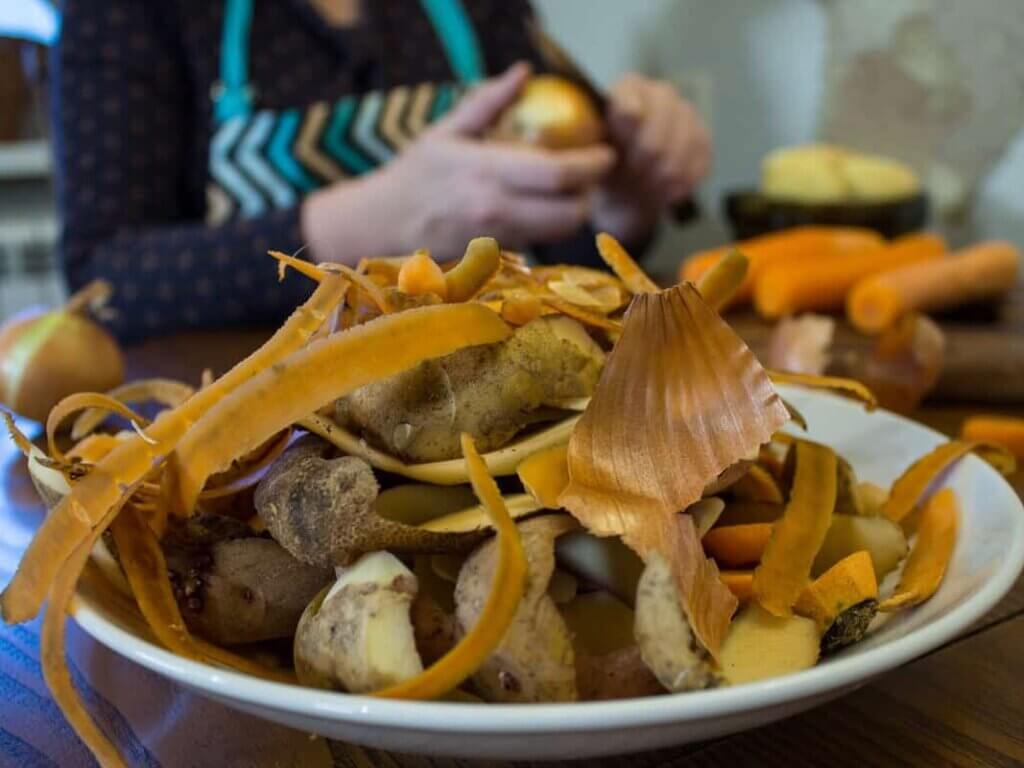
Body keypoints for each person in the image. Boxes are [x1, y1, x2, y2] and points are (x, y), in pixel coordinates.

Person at [53, 0, 711, 340]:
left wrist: (619, 205)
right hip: (256, 442)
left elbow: (548, 250)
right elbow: (104, 282)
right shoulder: (128, 12)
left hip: (477, 407)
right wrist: (377, 219)